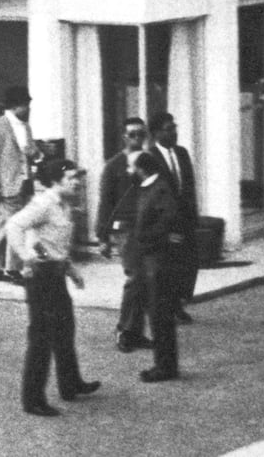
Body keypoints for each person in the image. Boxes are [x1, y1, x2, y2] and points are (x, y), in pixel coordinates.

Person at [6, 158, 100, 417]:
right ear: (56, 181)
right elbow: (14, 224)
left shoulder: (64, 205)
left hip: (55, 273)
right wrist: (25, 254)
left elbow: (55, 245)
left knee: (65, 328)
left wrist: (71, 270)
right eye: (71, 178)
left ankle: (71, 384)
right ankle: (33, 399)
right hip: (40, 277)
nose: (78, 182)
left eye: (77, 178)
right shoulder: (44, 204)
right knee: (42, 337)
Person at [128, 151, 188, 382]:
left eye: (131, 166)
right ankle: (163, 364)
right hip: (152, 260)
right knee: (156, 314)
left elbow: (167, 224)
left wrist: (146, 241)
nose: (128, 171)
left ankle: (165, 367)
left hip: (159, 262)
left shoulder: (160, 190)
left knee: (160, 315)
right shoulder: (148, 188)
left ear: (142, 168)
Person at [96, 117, 153, 353]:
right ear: (124, 137)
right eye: (132, 134)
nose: (137, 139)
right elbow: (105, 202)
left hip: (148, 226)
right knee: (136, 277)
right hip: (126, 228)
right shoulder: (113, 166)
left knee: (145, 280)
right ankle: (124, 330)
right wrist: (102, 237)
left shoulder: (149, 162)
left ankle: (136, 332)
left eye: (141, 134)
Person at [0, 85, 43, 283]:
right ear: (16, 106)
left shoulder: (26, 127)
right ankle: (13, 270)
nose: (29, 109)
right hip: (8, 186)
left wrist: (37, 156)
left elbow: (32, 152)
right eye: (26, 105)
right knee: (17, 227)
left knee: (4, 226)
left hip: (25, 184)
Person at [148, 112, 198, 324]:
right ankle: (167, 307)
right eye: (169, 129)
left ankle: (179, 302)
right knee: (168, 266)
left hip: (185, 218)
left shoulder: (182, 153)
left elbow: (189, 186)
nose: (174, 132)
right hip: (165, 221)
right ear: (157, 133)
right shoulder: (150, 158)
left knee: (187, 264)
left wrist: (193, 215)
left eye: (175, 127)